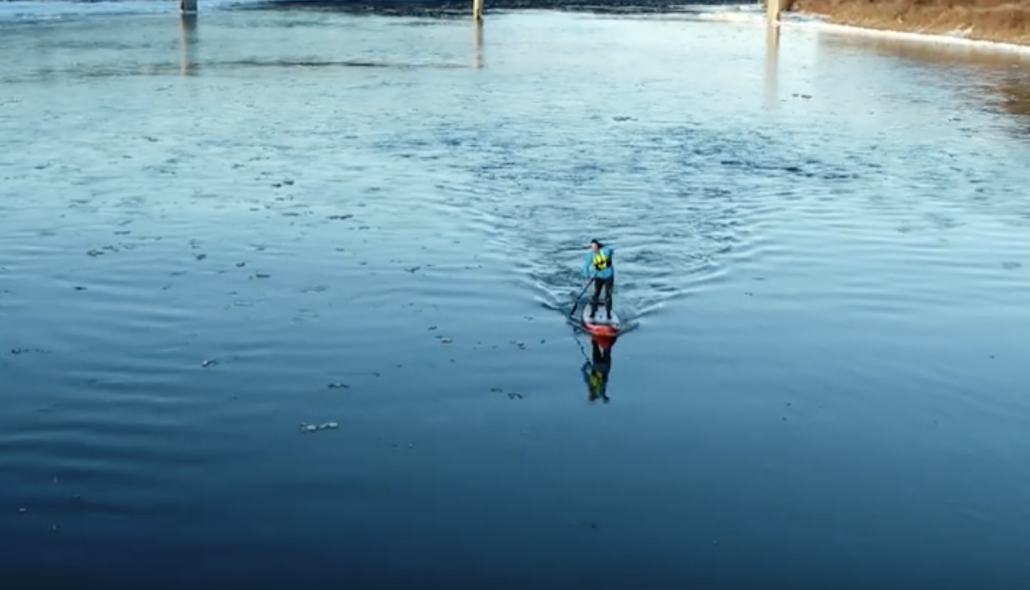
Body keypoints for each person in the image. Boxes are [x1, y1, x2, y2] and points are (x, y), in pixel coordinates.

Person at [582, 239, 614, 320]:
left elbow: (610, 251)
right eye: (592, 247)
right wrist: (587, 276)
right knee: (596, 294)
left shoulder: (605, 251)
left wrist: (607, 254)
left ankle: (608, 313)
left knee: (608, 295)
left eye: (595, 246)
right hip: (598, 277)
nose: (593, 248)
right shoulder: (591, 255)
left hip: (609, 277)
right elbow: (585, 267)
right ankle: (593, 312)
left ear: (598, 246)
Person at [581, 336, 616, 403]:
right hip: (603, 366)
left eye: (590, 395)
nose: (590, 394)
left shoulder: (591, 386)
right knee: (603, 348)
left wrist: (586, 365)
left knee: (599, 347)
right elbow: (584, 372)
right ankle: (610, 337)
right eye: (591, 396)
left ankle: (598, 337)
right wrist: (604, 398)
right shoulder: (597, 389)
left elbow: (584, 373)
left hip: (599, 364)